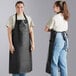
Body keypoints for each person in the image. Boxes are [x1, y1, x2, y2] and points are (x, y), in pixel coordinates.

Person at [7, 1, 35, 76]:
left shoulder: (28, 18)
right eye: (18, 7)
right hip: (16, 47)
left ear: (24, 8)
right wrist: (11, 45)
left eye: (21, 7)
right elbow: (9, 32)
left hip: (25, 47)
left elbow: (31, 32)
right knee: (16, 68)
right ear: (15, 8)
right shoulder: (12, 18)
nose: (20, 9)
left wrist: (33, 44)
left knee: (24, 68)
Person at [44, 1, 70, 76]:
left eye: (54, 6)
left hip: (58, 38)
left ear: (58, 8)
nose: (53, 8)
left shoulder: (55, 17)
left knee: (54, 62)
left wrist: (52, 29)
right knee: (63, 63)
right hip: (65, 38)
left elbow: (46, 29)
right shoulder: (65, 16)